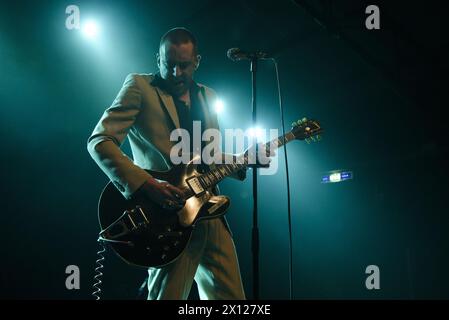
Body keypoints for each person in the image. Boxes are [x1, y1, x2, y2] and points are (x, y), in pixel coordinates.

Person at [87, 27, 272, 300]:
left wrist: (242, 160)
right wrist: (147, 185)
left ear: (197, 62)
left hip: (209, 214)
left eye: (183, 66)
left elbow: (207, 158)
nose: (176, 73)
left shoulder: (208, 97)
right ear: (157, 59)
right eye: (168, 64)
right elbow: (99, 141)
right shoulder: (139, 87)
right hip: (164, 218)